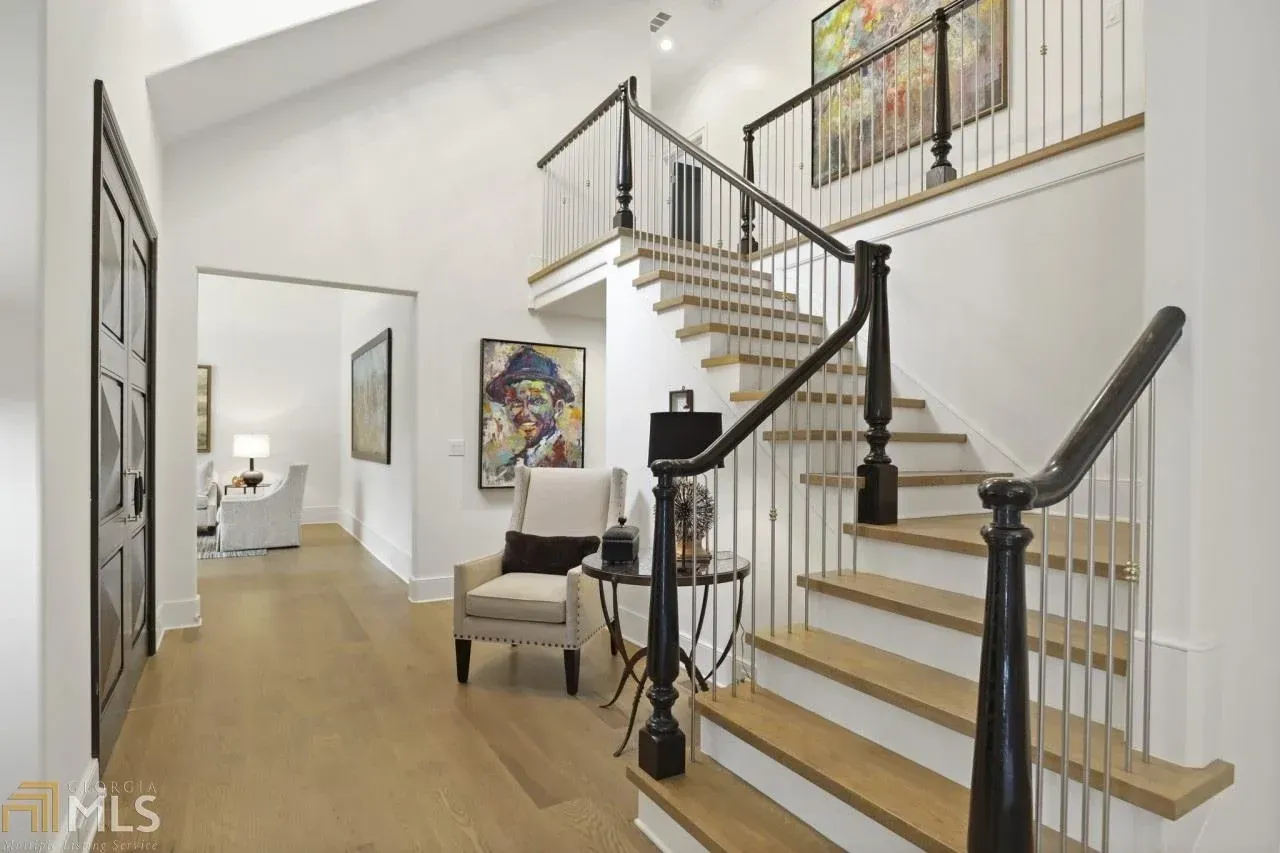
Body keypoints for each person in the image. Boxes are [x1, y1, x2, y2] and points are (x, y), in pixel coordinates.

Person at [485, 346, 581, 473]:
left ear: (558, 408)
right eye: (516, 402)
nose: (524, 413)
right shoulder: (509, 469)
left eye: (537, 401)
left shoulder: (573, 460)